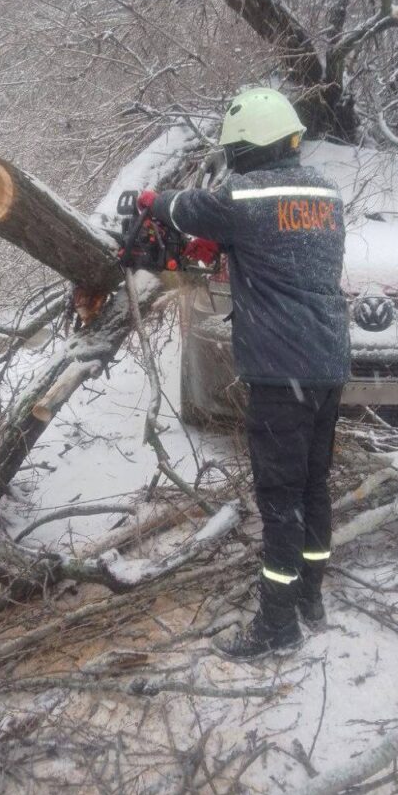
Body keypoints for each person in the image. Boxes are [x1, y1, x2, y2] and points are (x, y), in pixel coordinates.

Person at [138, 87, 350, 661]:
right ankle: (311, 600)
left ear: (247, 148)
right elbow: (279, 243)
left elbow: (182, 208)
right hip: (327, 363)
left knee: (279, 500)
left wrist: (149, 197)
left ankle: (276, 626)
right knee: (312, 487)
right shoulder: (325, 192)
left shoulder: (243, 194)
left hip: (282, 373)